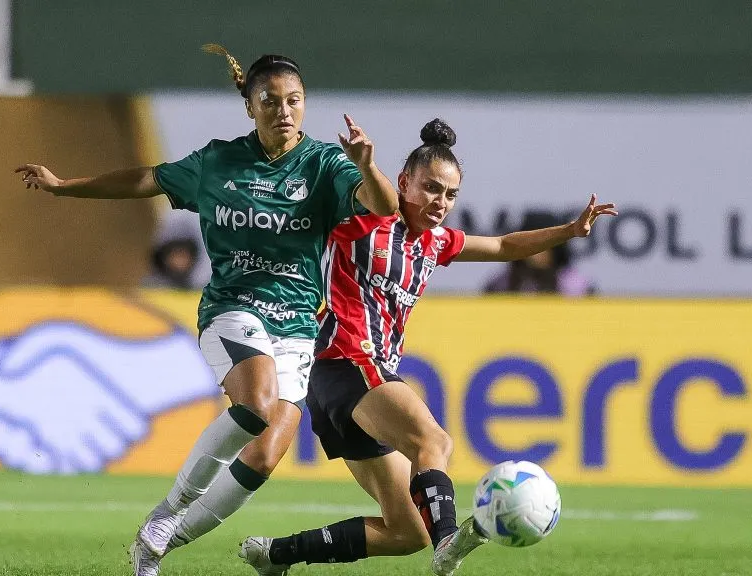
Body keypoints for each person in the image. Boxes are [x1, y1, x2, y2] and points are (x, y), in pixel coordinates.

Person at [15, 43, 399, 576]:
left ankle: (155, 548)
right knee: (258, 403)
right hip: (233, 310)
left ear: (304, 105)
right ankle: (167, 511)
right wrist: (65, 187)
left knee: (264, 456)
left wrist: (369, 165)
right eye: (270, 101)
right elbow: (144, 180)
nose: (283, 111)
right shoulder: (217, 163)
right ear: (250, 107)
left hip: (297, 324)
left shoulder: (325, 165)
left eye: (294, 101)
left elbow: (384, 206)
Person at [239, 119, 616, 576]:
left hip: (339, 382)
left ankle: (275, 555)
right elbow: (374, 193)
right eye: (432, 189)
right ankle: (449, 545)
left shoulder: (434, 242)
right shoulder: (367, 218)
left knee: (405, 531)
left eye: (451, 195)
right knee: (433, 442)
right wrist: (366, 163)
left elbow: (502, 244)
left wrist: (569, 231)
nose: (441, 203)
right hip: (348, 359)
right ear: (405, 183)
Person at [483, 211, 594, 295]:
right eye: (533, 245)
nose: (538, 252)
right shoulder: (500, 285)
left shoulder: (576, 286)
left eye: (545, 246)